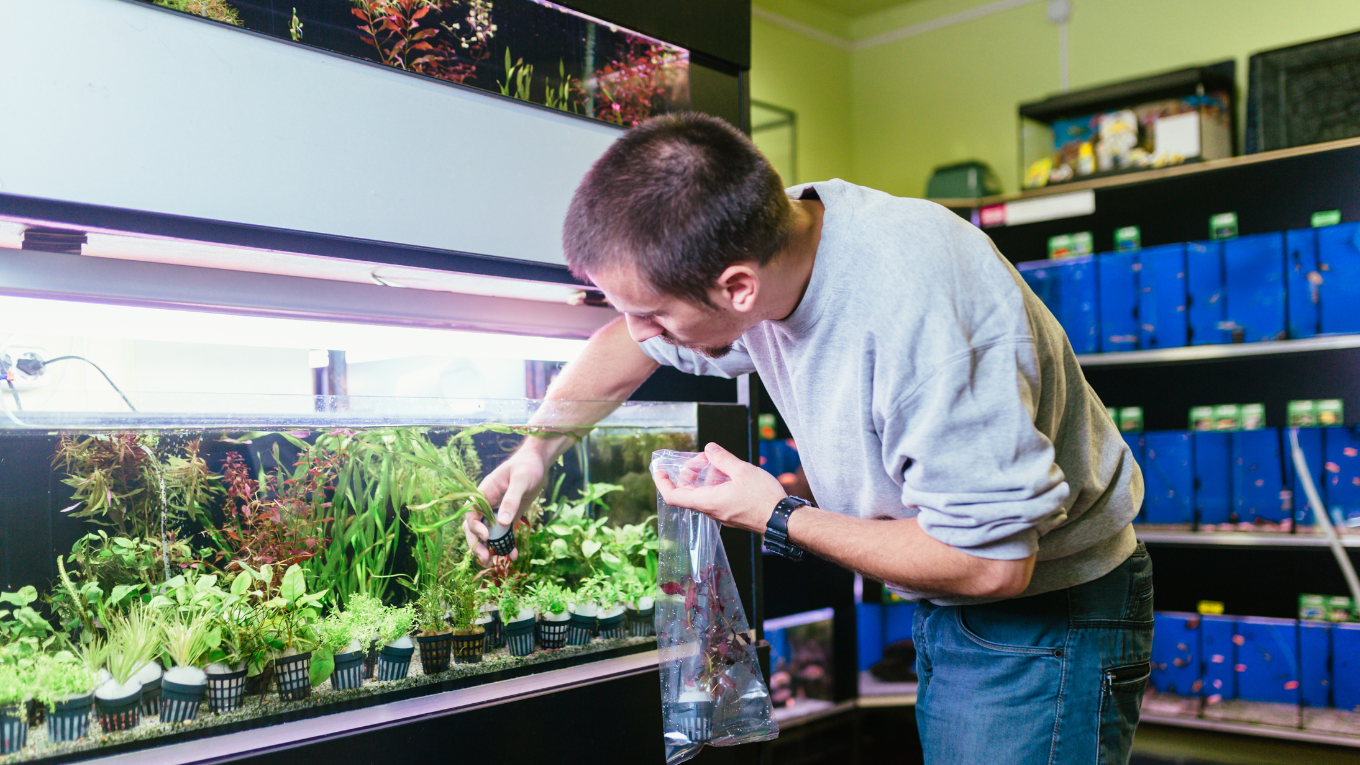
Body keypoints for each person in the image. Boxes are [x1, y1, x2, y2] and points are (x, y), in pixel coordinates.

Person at [463, 112, 1151, 765]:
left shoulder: (918, 316)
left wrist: (776, 514)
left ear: (736, 288)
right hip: (961, 608)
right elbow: (624, 345)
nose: (645, 333)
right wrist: (536, 451)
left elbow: (992, 562)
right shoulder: (771, 235)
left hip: (1044, 616)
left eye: (655, 315)